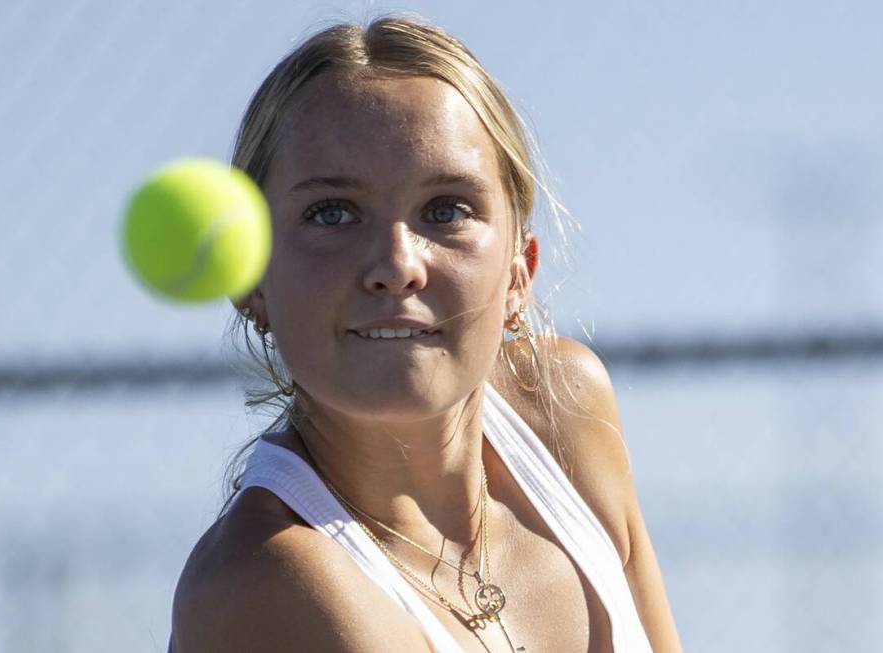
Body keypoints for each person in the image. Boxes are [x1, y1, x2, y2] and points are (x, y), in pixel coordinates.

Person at [170, 15, 682, 653]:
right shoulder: (268, 580)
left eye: (446, 210)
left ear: (520, 272)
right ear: (251, 277)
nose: (396, 266)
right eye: (332, 213)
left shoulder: (566, 411)